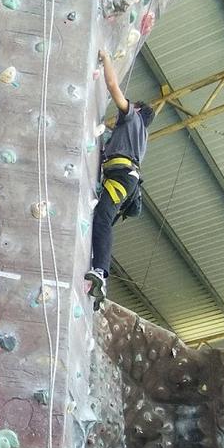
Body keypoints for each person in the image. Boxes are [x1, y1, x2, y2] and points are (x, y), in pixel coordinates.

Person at [85, 48, 155, 309]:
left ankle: (101, 273)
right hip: (125, 180)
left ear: (136, 110)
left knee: (102, 218)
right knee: (100, 222)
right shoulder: (137, 136)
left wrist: (105, 59)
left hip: (122, 178)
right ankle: (95, 279)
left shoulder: (132, 118)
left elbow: (113, 85)